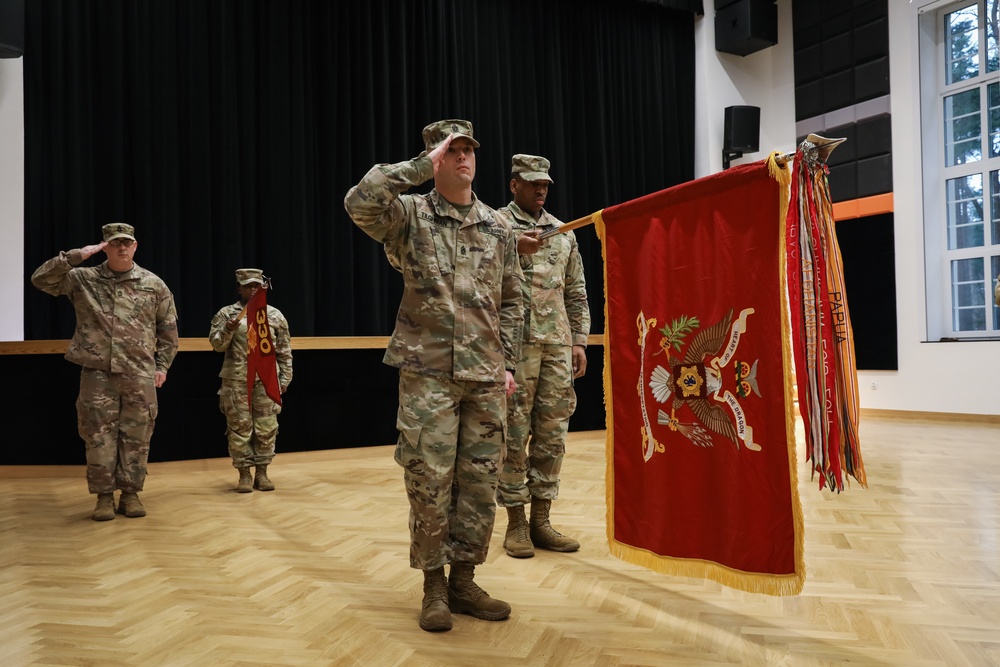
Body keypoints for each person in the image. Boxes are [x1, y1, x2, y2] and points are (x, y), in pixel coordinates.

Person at [344, 119, 524, 632]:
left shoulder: (497, 226)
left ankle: (465, 579)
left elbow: (511, 300)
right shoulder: (410, 216)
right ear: (436, 158)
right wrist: (419, 168)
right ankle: (434, 585)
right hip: (427, 373)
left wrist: (506, 361)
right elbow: (359, 202)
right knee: (428, 480)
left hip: (486, 376)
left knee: (480, 482)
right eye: (453, 150)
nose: (464, 157)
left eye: (469, 149)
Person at [31, 223, 179, 521]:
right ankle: (103, 497)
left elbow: (168, 328)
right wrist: (74, 256)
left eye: (127, 243)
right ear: (105, 246)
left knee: (137, 435)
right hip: (97, 373)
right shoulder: (83, 279)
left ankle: (130, 494)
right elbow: (41, 280)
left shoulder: (153, 284)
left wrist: (162, 365)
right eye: (115, 243)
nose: (122, 248)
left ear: (135, 246)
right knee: (98, 435)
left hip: (139, 373)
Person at [495, 154, 590, 558]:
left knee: (552, 436)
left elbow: (575, 292)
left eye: (546, 184)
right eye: (532, 183)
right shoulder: (495, 226)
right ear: (514, 184)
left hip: (556, 346)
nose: (540, 190)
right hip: (513, 348)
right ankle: (515, 523)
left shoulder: (562, 232)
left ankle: (541, 521)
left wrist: (579, 342)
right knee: (514, 435)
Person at [208, 269, 293, 493]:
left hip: (266, 380)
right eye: (248, 286)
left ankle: (262, 473)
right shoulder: (227, 314)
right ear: (239, 288)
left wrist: (284, 379)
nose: (252, 289)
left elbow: (284, 351)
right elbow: (216, 345)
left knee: (266, 428)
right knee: (239, 428)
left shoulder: (274, 315)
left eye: (256, 285)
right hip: (236, 381)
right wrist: (228, 329)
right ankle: (244, 474)